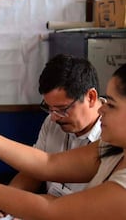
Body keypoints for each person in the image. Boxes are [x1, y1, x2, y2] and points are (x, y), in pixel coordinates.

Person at [0, 64, 126, 220]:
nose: (102, 110)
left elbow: (51, 210)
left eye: (112, 105)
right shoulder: (113, 148)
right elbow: (48, 164)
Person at [9, 53, 103, 197]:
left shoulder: (113, 134)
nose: (53, 118)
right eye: (49, 108)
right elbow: (34, 172)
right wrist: (6, 198)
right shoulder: (52, 122)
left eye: (62, 109)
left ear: (90, 97)